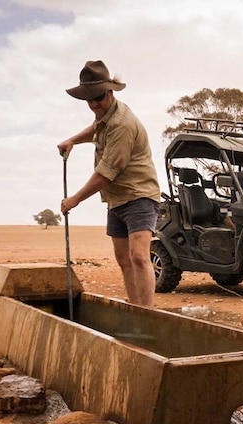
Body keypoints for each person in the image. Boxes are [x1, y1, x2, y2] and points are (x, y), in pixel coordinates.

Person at [58, 60, 161, 307]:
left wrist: (75, 199)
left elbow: (105, 174)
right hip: (116, 199)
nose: (94, 105)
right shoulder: (106, 114)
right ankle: (136, 310)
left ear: (110, 92)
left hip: (139, 196)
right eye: (89, 100)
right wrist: (73, 140)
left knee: (139, 256)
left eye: (98, 98)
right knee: (123, 259)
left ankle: (147, 314)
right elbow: (96, 128)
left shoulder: (122, 124)